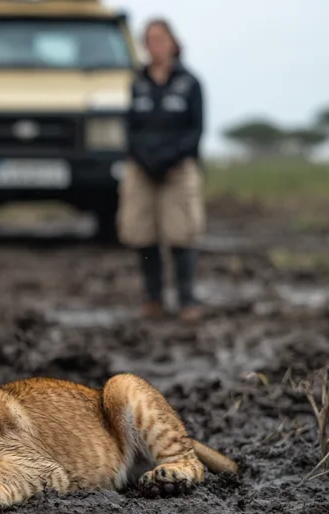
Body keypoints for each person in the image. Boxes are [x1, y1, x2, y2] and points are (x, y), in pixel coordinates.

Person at [118, 17, 206, 323]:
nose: (156, 45)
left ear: (173, 43)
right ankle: (152, 299)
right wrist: (143, 157)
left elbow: (196, 130)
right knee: (143, 233)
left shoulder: (189, 83)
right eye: (150, 40)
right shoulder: (138, 82)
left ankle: (187, 300)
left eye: (161, 39)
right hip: (141, 168)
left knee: (182, 233)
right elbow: (129, 127)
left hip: (178, 168)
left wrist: (169, 157)